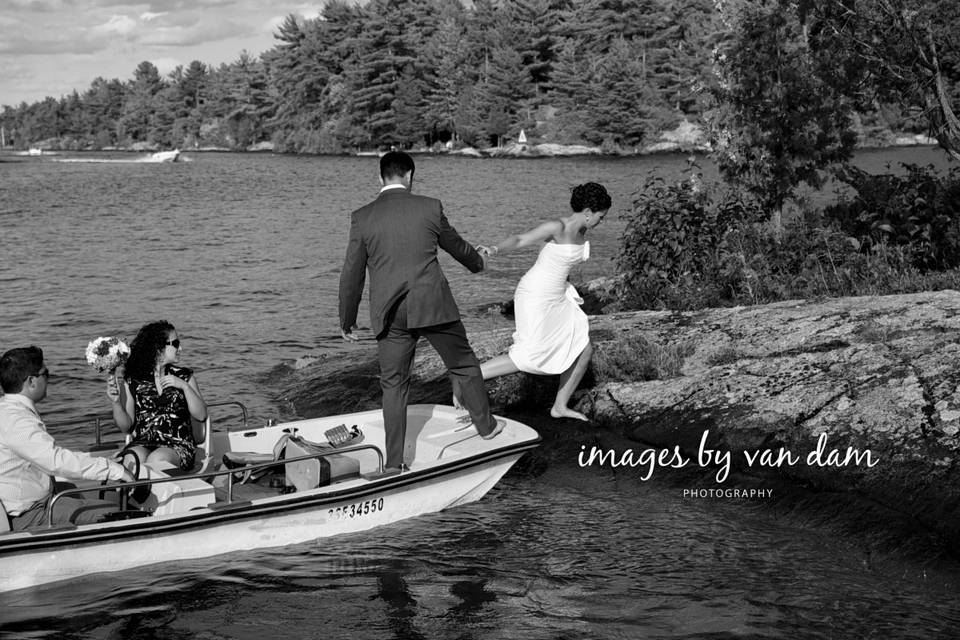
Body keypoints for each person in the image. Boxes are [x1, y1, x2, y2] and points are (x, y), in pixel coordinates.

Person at [339, 150, 503, 473]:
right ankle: (486, 428)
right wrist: (478, 263)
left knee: (394, 385)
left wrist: (347, 320)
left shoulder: (362, 217)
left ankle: (394, 463)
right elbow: (456, 246)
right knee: (463, 363)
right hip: (433, 305)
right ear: (410, 176)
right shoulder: (430, 207)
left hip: (389, 312)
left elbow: (351, 273)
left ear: (380, 177)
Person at [470, 182, 612, 421]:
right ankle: (469, 376)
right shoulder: (557, 226)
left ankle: (559, 406)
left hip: (557, 296)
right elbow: (520, 239)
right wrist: (492, 250)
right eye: (601, 216)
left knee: (583, 348)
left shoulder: (582, 232)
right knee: (528, 354)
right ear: (588, 212)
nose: (602, 221)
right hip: (535, 295)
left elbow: (561, 266)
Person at [0, 346, 133, 531]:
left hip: (30, 499)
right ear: (31, 381)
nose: (49, 379)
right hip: (30, 514)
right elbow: (55, 461)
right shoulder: (17, 421)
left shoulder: (7, 410)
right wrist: (112, 469)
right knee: (114, 512)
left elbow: (46, 455)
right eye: (46, 373)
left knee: (70, 488)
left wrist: (99, 461)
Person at [107, 320, 207, 471]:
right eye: (175, 343)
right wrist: (115, 402)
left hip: (178, 445)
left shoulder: (185, 376)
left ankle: (145, 492)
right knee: (131, 458)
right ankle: (134, 493)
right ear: (159, 348)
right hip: (143, 443)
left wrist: (184, 387)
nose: (180, 348)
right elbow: (125, 426)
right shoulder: (132, 381)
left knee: (157, 459)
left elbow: (201, 415)